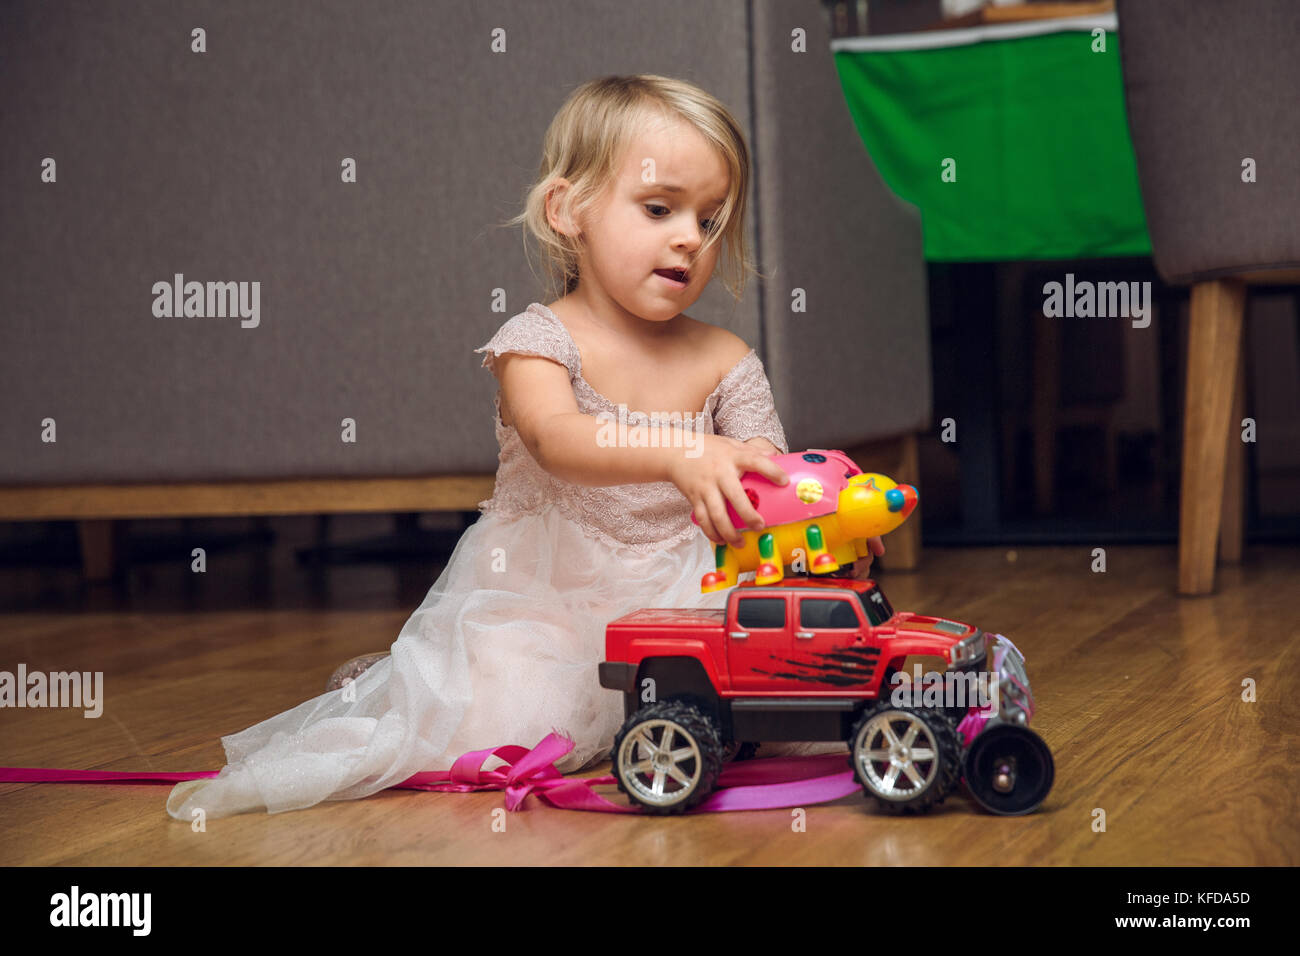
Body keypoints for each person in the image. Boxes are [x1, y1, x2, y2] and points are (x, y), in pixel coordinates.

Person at [166, 74, 881, 820]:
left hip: (687, 594)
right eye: (660, 208)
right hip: (546, 595)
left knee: (802, 682)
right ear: (566, 209)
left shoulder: (726, 358)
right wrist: (680, 453)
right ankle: (406, 679)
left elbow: (770, 478)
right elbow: (557, 439)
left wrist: (821, 527)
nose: (689, 239)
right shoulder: (537, 342)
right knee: (496, 715)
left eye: (710, 220)